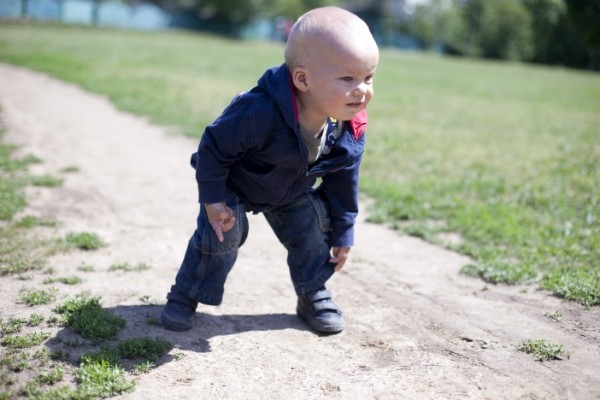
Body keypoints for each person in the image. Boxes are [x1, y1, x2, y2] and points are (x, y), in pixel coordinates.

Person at [161, 6, 379, 334]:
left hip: (291, 189)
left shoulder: (348, 126)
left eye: (368, 77)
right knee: (222, 233)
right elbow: (213, 149)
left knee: (312, 227)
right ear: (302, 79)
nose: (361, 89)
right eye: (348, 78)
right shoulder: (259, 110)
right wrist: (213, 200)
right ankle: (187, 293)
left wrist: (343, 231)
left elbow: (344, 181)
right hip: (237, 182)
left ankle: (312, 291)